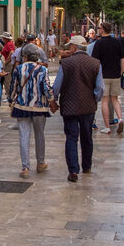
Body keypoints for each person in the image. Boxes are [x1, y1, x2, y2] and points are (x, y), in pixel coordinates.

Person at [50, 35, 103, 182]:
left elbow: (57, 86)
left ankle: (73, 171)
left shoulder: (66, 63)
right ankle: (87, 166)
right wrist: (94, 100)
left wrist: (53, 100)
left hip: (69, 106)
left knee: (71, 138)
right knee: (87, 137)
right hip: (88, 107)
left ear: (74, 47)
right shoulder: (96, 63)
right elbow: (100, 87)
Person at [10, 44, 52, 177]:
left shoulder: (18, 69)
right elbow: (46, 87)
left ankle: (25, 168)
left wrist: (12, 100)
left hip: (22, 107)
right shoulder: (42, 70)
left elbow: (13, 89)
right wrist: (51, 100)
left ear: (25, 56)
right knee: (40, 135)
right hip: (39, 107)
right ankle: (40, 163)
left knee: (24, 136)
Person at [91, 21, 124, 134]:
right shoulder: (116, 42)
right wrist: (121, 70)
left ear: (103, 29)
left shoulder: (99, 43)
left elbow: (95, 61)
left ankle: (107, 127)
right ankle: (120, 118)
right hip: (115, 74)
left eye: (100, 28)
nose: (99, 29)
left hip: (104, 75)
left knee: (105, 100)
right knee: (115, 99)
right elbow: (123, 57)